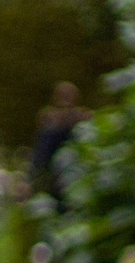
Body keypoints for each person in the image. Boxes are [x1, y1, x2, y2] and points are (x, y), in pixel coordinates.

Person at [30, 80, 92, 209]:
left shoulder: (82, 118)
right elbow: (41, 156)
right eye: (62, 96)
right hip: (55, 173)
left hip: (74, 172)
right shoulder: (49, 121)